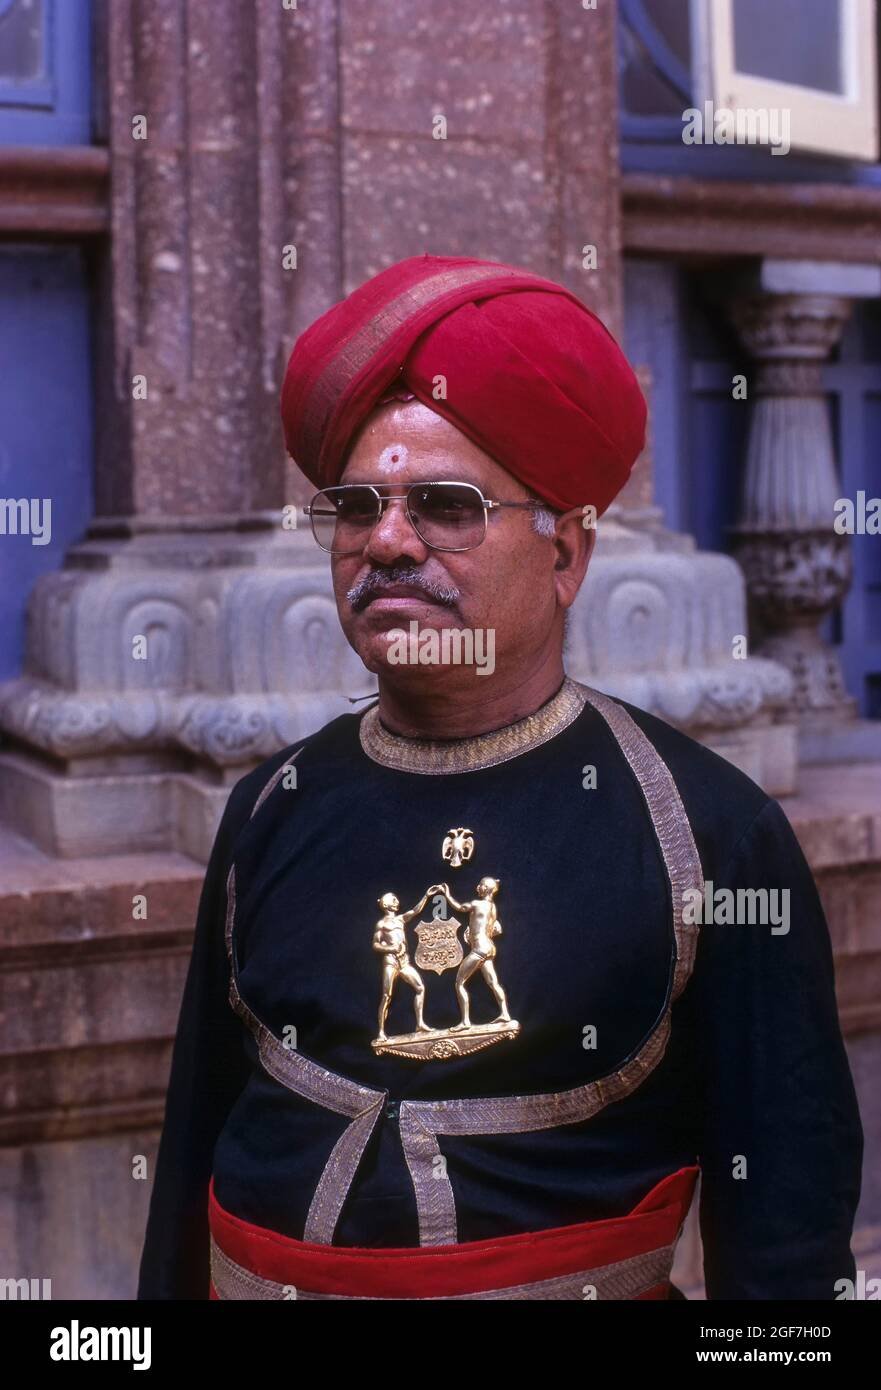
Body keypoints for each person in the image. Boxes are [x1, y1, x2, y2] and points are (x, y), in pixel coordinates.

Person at [137, 254, 862, 1301]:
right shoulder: (268, 808)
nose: (386, 540)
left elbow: (784, 1253)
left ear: (564, 553)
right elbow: (190, 1162)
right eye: (354, 507)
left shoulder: (710, 832)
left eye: (443, 504)